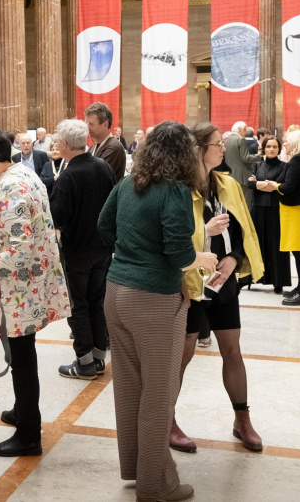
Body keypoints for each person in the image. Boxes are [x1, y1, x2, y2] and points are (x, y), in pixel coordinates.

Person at [97, 121, 217, 502]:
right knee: (158, 395)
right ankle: (156, 484)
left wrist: (133, 254)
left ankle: (136, 468)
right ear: (186, 154)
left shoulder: (128, 184)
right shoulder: (175, 191)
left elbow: (103, 227)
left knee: (130, 388)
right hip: (153, 300)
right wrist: (206, 259)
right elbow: (179, 253)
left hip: (115, 292)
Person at [0, 126, 70, 458]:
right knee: (21, 356)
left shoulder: (12, 187)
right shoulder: (21, 174)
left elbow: (20, 249)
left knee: (22, 358)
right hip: (25, 285)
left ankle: (29, 433)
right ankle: (22, 410)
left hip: (18, 287)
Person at [172, 124, 266, 457]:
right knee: (180, 358)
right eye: (217, 144)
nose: (223, 149)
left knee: (232, 349)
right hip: (190, 285)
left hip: (221, 283)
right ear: (198, 149)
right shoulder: (178, 189)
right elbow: (171, 237)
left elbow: (242, 231)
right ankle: (166, 420)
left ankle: (243, 420)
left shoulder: (226, 184)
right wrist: (204, 228)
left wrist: (233, 257)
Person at [49, 119, 115, 380]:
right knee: (97, 300)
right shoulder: (103, 166)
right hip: (102, 247)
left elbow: (57, 215)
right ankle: (98, 357)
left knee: (77, 304)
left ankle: (84, 362)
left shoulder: (68, 175)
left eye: (57, 142)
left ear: (64, 144)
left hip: (77, 250)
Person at [267, 130, 300, 306]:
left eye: (287, 141)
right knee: (297, 251)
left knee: (299, 251)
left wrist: (274, 185)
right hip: (297, 209)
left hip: (298, 210)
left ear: (295, 142)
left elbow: (288, 186)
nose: (284, 144)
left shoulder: (299, 160)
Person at [248, 135, 291, 294]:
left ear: (279, 149)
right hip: (258, 209)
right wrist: (267, 185)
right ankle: (251, 278)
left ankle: (277, 281)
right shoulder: (257, 165)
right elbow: (250, 184)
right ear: (264, 149)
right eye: (268, 147)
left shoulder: (284, 166)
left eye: (274, 147)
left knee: (276, 246)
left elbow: (280, 185)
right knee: (256, 245)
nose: (271, 149)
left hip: (276, 210)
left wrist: (260, 184)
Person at [85, 102, 126, 181]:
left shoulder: (114, 147)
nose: (87, 128)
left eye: (91, 124)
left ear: (105, 124)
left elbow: (95, 175)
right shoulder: (92, 147)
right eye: (86, 124)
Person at [224, 121, 259, 207]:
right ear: (239, 129)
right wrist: (259, 156)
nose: (246, 132)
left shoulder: (227, 141)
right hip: (243, 177)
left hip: (231, 176)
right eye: (244, 129)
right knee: (245, 205)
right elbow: (245, 158)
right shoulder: (240, 140)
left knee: (234, 205)